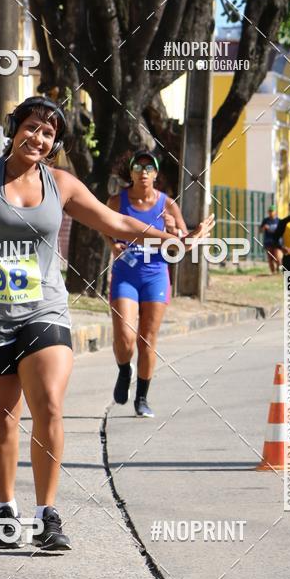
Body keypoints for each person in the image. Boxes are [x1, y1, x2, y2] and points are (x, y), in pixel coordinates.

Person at [0, 70, 214, 553]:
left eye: (48, 132)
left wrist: (172, 240)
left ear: (54, 143)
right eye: (31, 127)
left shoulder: (62, 184)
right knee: (3, 418)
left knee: (50, 406)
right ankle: (6, 509)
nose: (38, 138)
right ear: (14, 129)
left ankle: (47, 515)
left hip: (44, 310)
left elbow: (117, 221)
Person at [107, 150, 188, 418]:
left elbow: (183, 241)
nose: (143, 172)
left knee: (147, 339)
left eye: (149, 168)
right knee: (125, 338)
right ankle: (123, 370)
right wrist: (112, 245)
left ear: (155, 174)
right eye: (138, 167)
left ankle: (142, 398)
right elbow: (103, 225)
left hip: (155, 275)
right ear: (130, 173)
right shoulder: (117, 201)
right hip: (125, 275)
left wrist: (173, 230)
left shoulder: (167, 204)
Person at [259, 205, 281, 273]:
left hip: (277, 242)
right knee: (270, 259)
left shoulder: (279, 221)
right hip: (268, 242)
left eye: (272, 211)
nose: (271, 213)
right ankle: (273, 272)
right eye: (270, 211)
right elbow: (260, 231)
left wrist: (270, 228)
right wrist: (263, 228)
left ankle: (278, 269)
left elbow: (281, 231)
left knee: (277, 257)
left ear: (275, 212)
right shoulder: (265, 220)